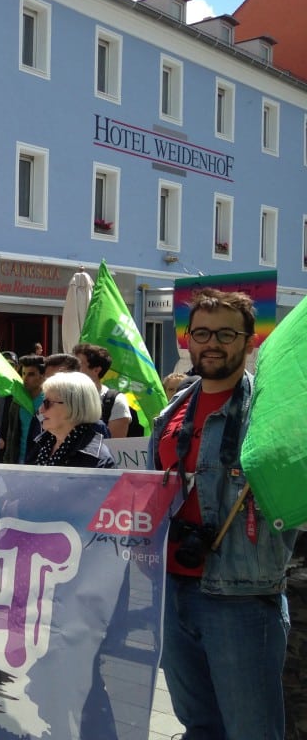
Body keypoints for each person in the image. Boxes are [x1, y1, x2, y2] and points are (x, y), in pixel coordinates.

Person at [149, 289, 297, 740]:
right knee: (199, 727)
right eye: (202, 333)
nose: (212, 343)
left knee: (252, 731)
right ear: (188, 339)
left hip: (241, 598)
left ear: (250, 341)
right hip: (171, 590)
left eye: (227, 334)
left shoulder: (269, 415)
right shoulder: (173, 409)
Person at [25, 372, 114, 468]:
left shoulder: (97, 459)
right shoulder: (41, 444)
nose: (41, 409)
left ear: (74, 406)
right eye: (43, 402)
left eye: (47, 403)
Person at [73, 343, 133, 439]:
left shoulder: (115, 401)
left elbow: (114, 447)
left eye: (77, 365)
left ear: (96, 370)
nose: (71, 369)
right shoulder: (60, 397)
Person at [0, 354, 45, 464]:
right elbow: (11, 434)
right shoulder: (17, 400)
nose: (25, 378)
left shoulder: (49, 401)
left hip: (40, 461)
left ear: (42, 376)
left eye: (31, 374)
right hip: (17, 461)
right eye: (23, 373)